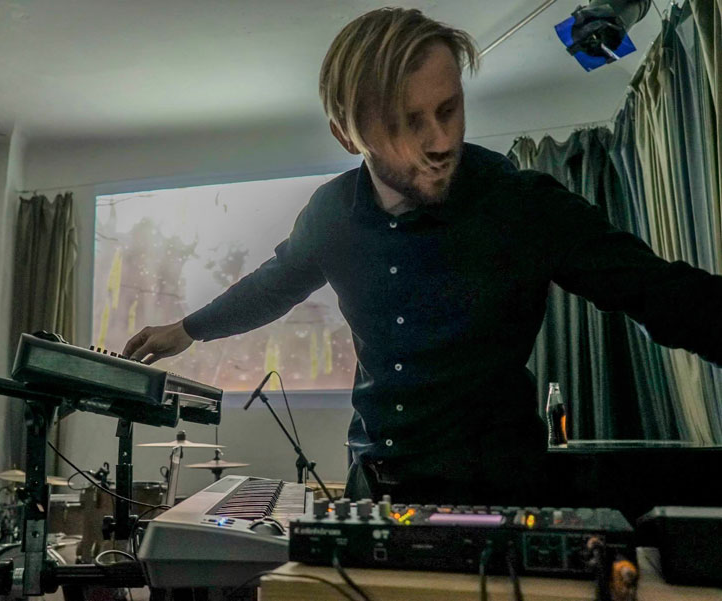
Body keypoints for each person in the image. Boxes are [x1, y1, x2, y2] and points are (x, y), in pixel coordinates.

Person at [123, 7, 722, 506]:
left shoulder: (523, 204)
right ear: (346, 135)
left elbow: (657, 290)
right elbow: (274, 284)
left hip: (497, 491)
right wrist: (188, 329)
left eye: (448, 109)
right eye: (408, 123)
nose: (440, 142)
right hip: (373, 483)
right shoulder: (330, 213)